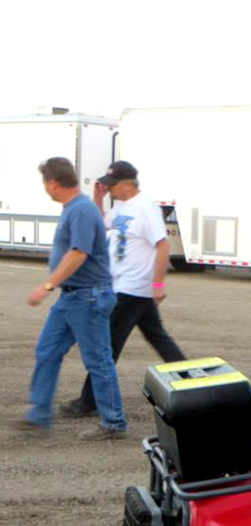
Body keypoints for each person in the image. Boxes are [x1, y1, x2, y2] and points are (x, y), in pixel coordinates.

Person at [60, 161, 185, 418]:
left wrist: (158, 284)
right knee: (157, 337)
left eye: (112, 185)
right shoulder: (120, 206)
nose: (109, 189)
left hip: (132, 288)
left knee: (106, 344)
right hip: (122, 286)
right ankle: (191, 380)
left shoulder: (146, 208)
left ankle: (89, 401)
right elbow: (100, 225)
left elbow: (162, 245)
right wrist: (98, 199)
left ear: (127, 183)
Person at [17, 157, 127, 439]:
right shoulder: (76, 209)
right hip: (71, 298)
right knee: (47, 350)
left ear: (54, 183)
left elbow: (79, 253)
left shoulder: (80, 210)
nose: (45, 188)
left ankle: (114, 422)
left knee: (98, 360)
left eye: (45, 183)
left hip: (87, 298)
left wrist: (47, 286)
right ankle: (39, 413)